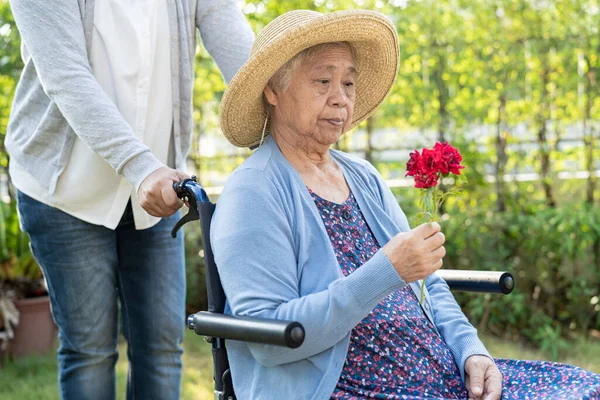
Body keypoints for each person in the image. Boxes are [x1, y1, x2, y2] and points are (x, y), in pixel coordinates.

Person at [211, 9, 600, 400]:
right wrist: (384, 271)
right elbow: (270, 339)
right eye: (323, 81)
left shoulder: (362, 176)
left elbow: (426, 280)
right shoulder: (253, 192)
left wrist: (471, 350)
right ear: (273, 91)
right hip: (349, 389)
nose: (340, 98)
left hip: (446, 379)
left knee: (586, 390)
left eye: (348, 83)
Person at [5, 0, 253, 399]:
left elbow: (229, 31)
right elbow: (66, 75)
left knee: (161, 347)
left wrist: (281, 122)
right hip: (67, 190)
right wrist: (141, 166)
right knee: (90, 351)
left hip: (157, 194)